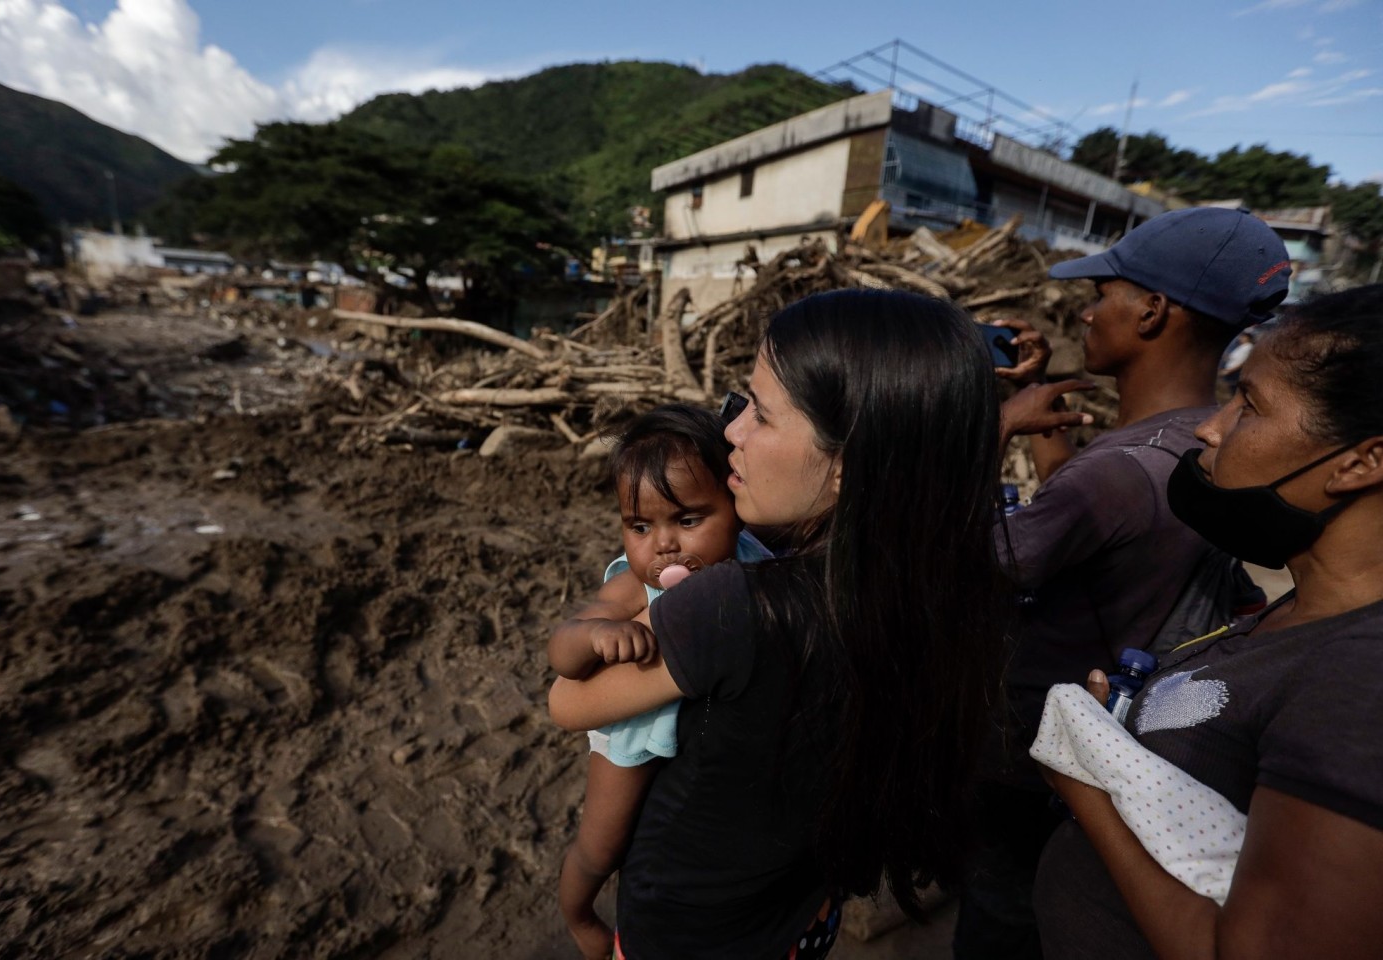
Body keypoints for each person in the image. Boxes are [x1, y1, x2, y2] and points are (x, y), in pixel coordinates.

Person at [549, 289, 1008, 958]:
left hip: (688, 932)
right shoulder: (936, 590)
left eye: (759, 414)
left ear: (848, 462)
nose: (730, 430)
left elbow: (568, 701)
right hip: (800, 917)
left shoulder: (736, 606)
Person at [955, 207, 1292, 959]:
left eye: (1102, 290)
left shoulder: (1118, 469)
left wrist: (993, 425)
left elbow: (971, 559)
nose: (1085, 308)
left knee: (1001, 928)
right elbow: (1092, 531)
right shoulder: (1207, 439)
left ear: (1151, 310)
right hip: (1115, 733)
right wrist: (1046, 417)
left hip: (1033, 751)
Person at [1033, 284, 1383, 959]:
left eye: (1249, 405)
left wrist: (1089, 787)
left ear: (1362, 461)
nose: (1210, 428)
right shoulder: (1305, 601)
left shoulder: (1360, 683)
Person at [548, 404, 769, 959]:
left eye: (688, 521)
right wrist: (597, 635)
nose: (663, 546)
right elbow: (562, 650)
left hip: (696, 747)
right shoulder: (631, 588)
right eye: (639, 527)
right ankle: (577, 913)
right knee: (603, 845)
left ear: (735, 507)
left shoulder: (753, 561)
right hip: (632, 736)